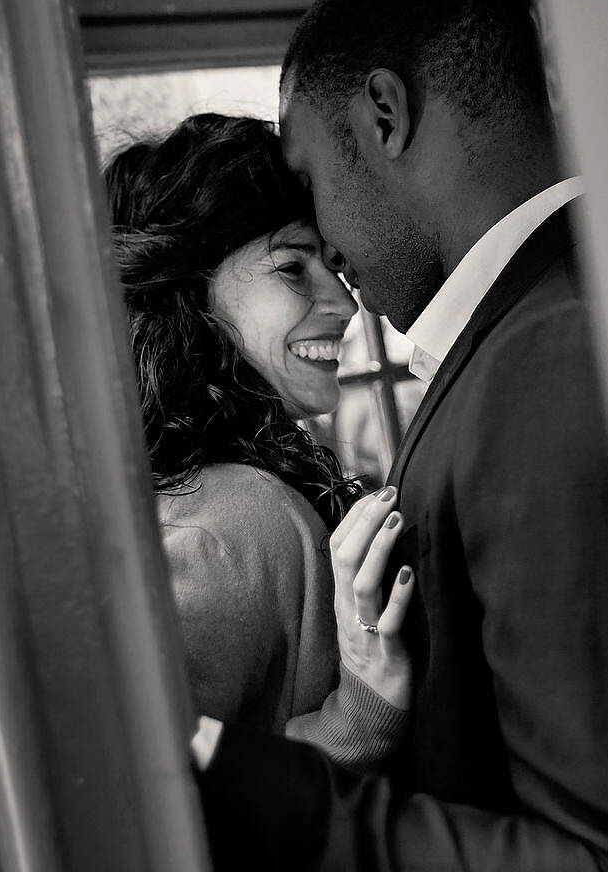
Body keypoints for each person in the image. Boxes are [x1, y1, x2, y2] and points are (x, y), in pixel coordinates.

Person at [195, 0, 608, 872]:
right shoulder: (588, 290)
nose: (326, 246)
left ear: (385, 115)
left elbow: (607, 857)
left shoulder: (540, 358)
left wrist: (259, 794)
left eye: (309, 179)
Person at [106, 113, 416, 771]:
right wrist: (361, 716)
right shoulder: (230, 525)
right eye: (293, 267)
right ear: (191, 294)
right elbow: (155, 789)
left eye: (333, 264)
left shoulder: (198, 494)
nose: (345, 304)